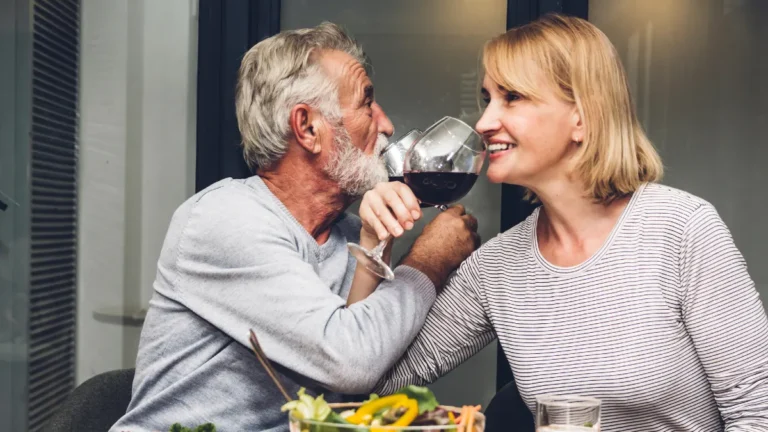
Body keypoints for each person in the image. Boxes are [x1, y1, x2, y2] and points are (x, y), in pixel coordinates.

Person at [359, 14, 768, 431]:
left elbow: (758, 413)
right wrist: (381, 245)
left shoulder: (681, 230)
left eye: (512, 97)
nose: (483, 123)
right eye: (488, 99)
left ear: (582, 116)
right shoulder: (497, 267)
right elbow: (368, 378)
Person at [110, 22, 479, 432]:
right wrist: (430, 260)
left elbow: (348, 389)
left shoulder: (349, 234)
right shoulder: (224, 218)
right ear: (307, 128)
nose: (387, 125)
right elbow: (349, 360)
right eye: (366, 103)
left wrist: (376, 248)